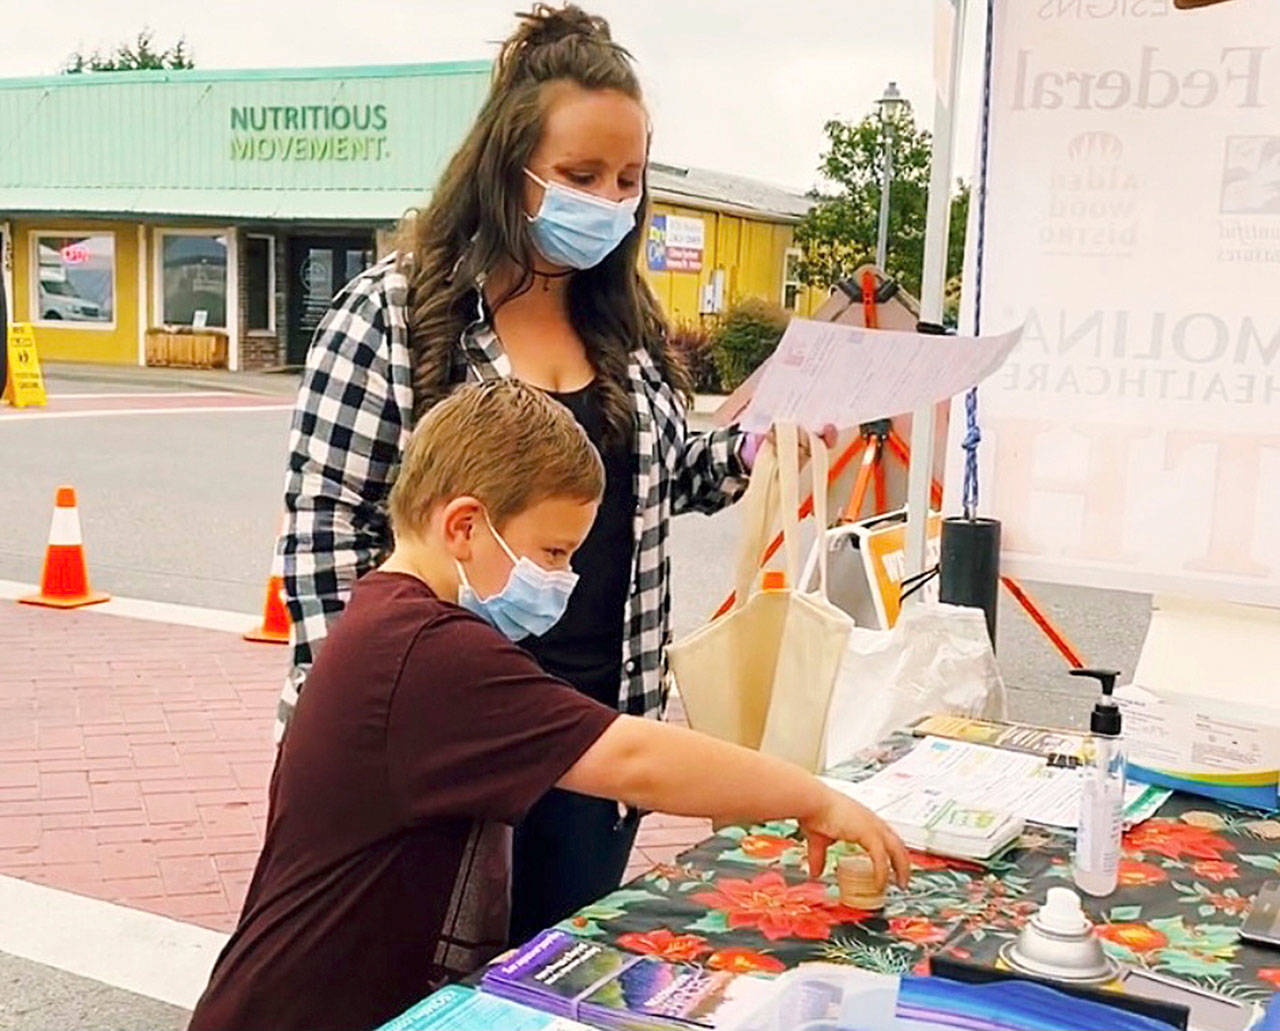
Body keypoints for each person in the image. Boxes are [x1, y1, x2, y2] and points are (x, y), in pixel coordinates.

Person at [277, 2, 802, 941]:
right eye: (580, 175)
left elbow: (674, 482)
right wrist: (376, 731)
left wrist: (766, 435)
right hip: (447, 748)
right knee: (419, 982)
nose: (609, 198)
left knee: (554, 980)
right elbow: (326, 539)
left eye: (629, 178)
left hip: (601, 729)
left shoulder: (629, 332)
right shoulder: (391, 315)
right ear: (509, 172)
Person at [191, 381, 909, 1031]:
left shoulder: (395, 619)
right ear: (465, 526)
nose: (562, 579)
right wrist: (810, 796)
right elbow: (634, 758)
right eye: (554, 551)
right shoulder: (433, 655)